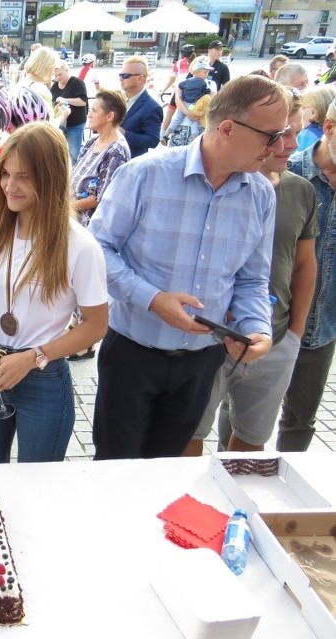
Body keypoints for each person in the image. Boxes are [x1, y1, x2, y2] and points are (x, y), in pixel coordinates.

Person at [88, 75, 289, 459]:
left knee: (168, 472)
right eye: (270, 135)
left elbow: (252, 279)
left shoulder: (260, 193)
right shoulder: (145, 174)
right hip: (133, 354)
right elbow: (97, 250)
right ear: (228, 128)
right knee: (114, 468)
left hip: (202, 362)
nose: (278, 147)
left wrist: (256, 329)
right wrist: (153, 299)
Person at [0, 122, 107, 463]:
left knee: (36, 485)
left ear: (50, 177)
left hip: (43, 376)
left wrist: (33, 357)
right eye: (6, 174)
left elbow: (95, 326)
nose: (9, 186)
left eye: (24, 177)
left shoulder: (79, 245)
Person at [186, 92, 317, 455]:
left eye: (295, 133)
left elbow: (305, 264)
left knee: (251, 441)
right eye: (282, 133)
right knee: (190, 435)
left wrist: (294, 333)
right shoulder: (215, 183)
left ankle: (238, 511)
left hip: (272, 338)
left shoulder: (300, 191)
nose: (291, 144)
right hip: (212, 339)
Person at [278, 96, 336, 451]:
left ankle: (286, 503)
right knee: (239, 417)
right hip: (271, 321)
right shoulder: (287, 174)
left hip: (324, 327)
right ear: (329, 128)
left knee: (300, 422)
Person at [71, 89, 130, 226]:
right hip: (73, 219)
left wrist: (66, 208)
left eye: (94, 111)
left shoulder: (116, 151)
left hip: (90, 227)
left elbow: (100, 198)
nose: (89, 115)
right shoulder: (92, 141)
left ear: (109, 116)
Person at [162, 56, 216, 144]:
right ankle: (165, 136)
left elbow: (211, 101)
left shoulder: (185, 82)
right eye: (205, 71)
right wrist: (191, 113)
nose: (206, 73)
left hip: (195, 125)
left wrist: (189, 113)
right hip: (190, 125)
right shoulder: (208, 84)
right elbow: (177, 100)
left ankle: (165, 135)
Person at [119, 55, 162, 158]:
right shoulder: (117, 99)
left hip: (131, 163)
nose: (121, 79)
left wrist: (124, 134)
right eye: (120, 75)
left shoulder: (152, 107)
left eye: (125, 76)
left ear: (139, 78)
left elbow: (153, 140)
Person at [51, 60, 88, 163]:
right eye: (55, 76)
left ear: (67, 71)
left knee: (74, 153)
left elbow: (83, 101)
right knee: (57, 153)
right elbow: (52, 102)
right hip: (61, 123)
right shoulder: (54, 86)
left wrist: (65, 100)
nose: (58, 78)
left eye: (60, 74)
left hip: (75, 123)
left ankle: (75, 175)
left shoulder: (77, 83)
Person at [160, 44, 196, 136]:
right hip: (193, 93)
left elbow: (172, 79)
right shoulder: (196, 62)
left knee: (170, 113)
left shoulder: (178, 63)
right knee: (191, 116)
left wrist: (163, 90)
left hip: (178, 92)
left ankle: (163, 135)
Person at [13, 46, 58, 113]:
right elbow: (48, 122)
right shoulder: (41, 89)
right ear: (46, 67)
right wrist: (62, 116)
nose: (54, 72)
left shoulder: (20, 83)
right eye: (53, 68)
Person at [297, 85, 335, 151]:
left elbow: (296, 158)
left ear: (312, 113)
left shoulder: (307, 134)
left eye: (300, 108)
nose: (298, 112)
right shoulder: (330, 131)